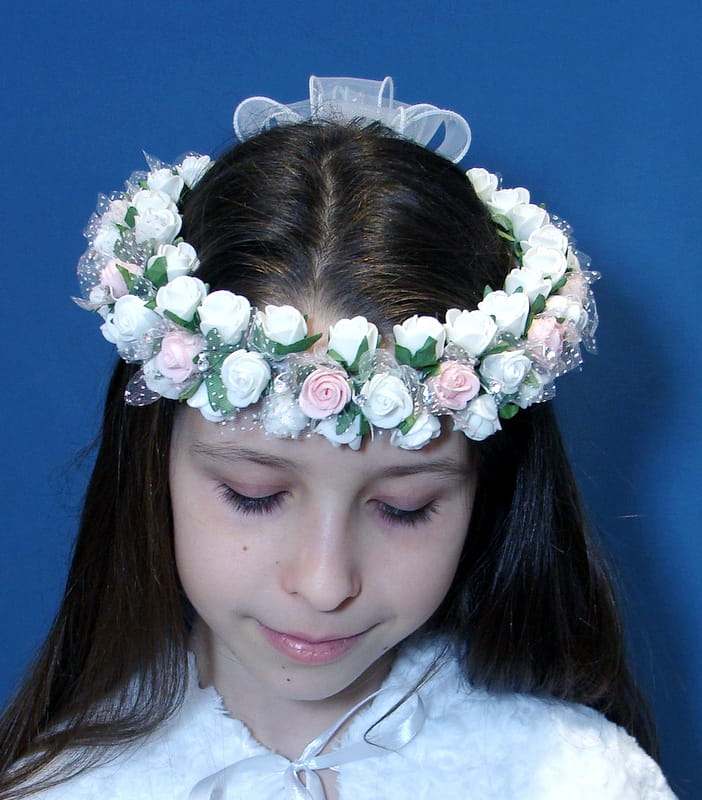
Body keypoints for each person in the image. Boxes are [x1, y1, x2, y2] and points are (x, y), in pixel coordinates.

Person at [0, 77, 676, 799]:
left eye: (405, 508)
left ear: (489, 488)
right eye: (254, 495)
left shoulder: (577, 779)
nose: (325, 585)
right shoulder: (57, 787)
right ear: (152, 462)